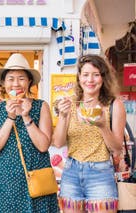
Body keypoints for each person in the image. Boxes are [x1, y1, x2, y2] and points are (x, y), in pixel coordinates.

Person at [52, 54, 126, 213]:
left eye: (96, 74)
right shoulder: (70, 103)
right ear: (79, 77)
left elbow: (117, 148)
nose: (90, 80)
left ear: (103, 77)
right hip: (71, 172)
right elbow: (57, 143)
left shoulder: (114, 105)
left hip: (101, 173)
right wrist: (63, 116)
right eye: (85, 75)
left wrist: (103, 126)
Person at [0, 53, 59, 212]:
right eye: (11, 79)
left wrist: (26, 116)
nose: (16, 84)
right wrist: (10, 117)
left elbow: (43, 146)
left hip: (36, 180)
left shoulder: (41, 106)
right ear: (4, 83)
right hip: (4, 182)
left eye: (21, 78)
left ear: (29, 82)